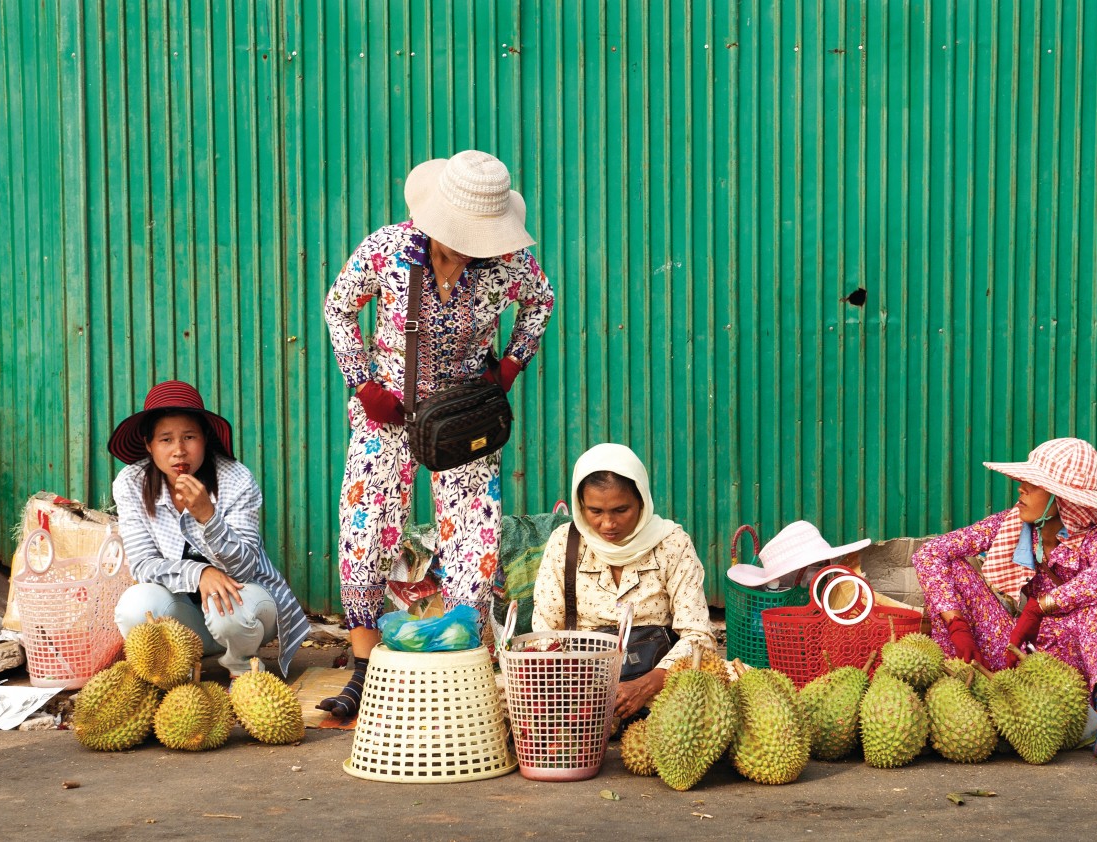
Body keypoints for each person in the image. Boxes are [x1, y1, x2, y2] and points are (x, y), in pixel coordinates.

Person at [321, 150, 555, 719]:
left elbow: (540, 303)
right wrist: (361, 383)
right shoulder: (388, 248)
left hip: (464, 417)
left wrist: (509, 367)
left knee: (473, 539)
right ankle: (363, 670)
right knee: (366, 531)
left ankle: (464, 667)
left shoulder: (506, 263)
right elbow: (338, 307)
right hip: (389, 413)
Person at [911, 437, 1097, 771]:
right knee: (951, 565)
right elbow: (930, 553)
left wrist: (1040, 607)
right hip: (1018, 651)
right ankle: (961, 696)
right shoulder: (1011, 526)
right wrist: (957, 625)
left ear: (1061, 499)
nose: (1020, 489)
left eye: (1032, 486)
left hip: (1070, 668)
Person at [110, 381, 310, 678]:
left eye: (189, 437)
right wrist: (200, 573)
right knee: (135, 606)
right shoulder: (131, 483)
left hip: (247, 608)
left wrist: (207, 516)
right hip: (186, 617)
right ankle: (174, 669)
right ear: (149, 445)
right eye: (166, 440)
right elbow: (142, 565)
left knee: (225, 604)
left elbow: (244, 568)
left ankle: (243, 670)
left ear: (205, 438)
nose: (179, 451)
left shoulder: (235, 479)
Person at [532, 443, 716, 720]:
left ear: (642, 501)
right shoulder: (564, 543)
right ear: (580, 507)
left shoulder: (672, 543)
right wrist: (579, 690)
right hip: (579, 692)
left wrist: (647, 685)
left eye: (621, 510)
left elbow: (698, 635)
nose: (608, 524)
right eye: (595, 511)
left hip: (663, 687)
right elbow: (545, 631)